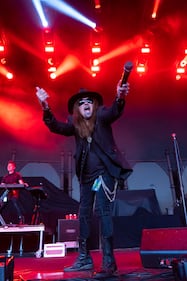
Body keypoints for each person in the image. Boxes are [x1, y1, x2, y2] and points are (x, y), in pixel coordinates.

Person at [36, 80, 133, 277]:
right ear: (77, 109)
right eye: (81, 102)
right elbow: (56, 127)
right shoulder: (75, 124)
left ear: (94, 105)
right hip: (86, 178)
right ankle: (84, 259)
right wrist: (45, 106)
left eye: (89, 101)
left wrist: (120, 96)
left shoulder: (102, 116)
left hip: (104, 174)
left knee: (104, 212)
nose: (86, 104)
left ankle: (108, 261)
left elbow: (115, 110)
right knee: (84, 215)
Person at [0, 160, 28, 225]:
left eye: (10, 166)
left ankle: (20, 217)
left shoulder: (17, 175)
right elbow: (2, 184)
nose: (8, 167)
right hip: (7, 193)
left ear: (14, 167)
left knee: (15, 203)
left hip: (14, 192)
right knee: (1, 202)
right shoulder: (5, 177)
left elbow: (21, 183)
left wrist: (24, 184)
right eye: (8, 166)